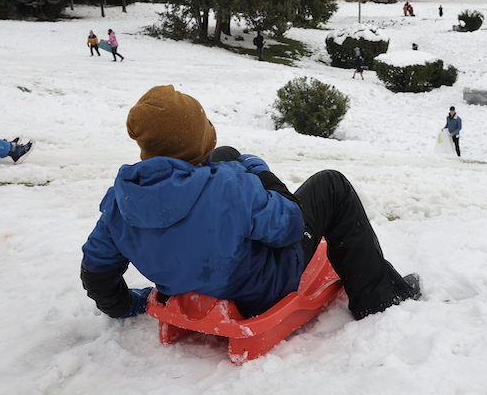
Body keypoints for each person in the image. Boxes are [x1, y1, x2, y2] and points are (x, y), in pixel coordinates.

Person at [79, 85, 420, 321]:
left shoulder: (119, 201)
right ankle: (379, 299)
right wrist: (260, 175)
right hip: (259, 289)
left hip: (185, 287)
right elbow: (290, 227)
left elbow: (96, 271)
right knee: (332, 184)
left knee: (227, 156)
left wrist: (124, 306)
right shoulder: (230, 187)